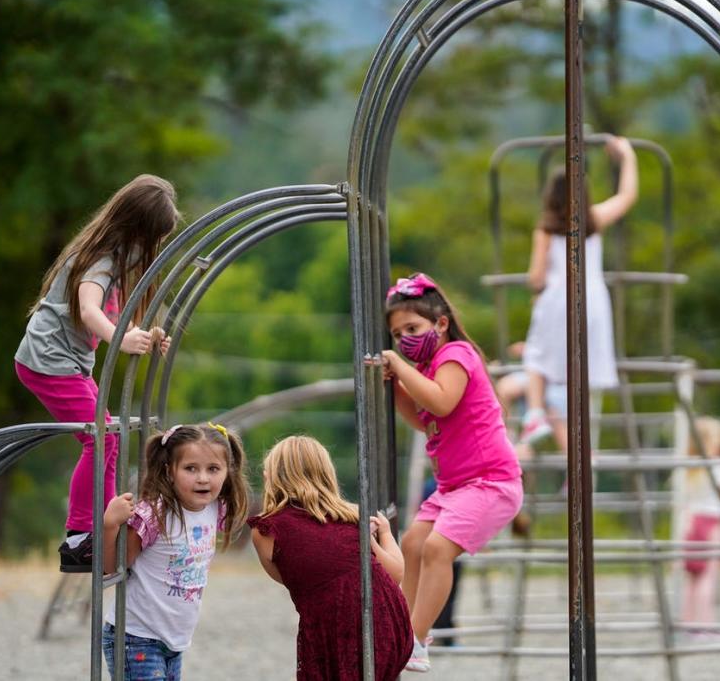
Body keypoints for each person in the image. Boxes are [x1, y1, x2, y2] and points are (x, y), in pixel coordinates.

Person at [14, 174, 180, 572]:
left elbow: (109, 316)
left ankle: (101, 529)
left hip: (67, 364)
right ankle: (80, 537)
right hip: (47, 362)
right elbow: (89, 310)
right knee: (102, 438)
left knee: (109, 438)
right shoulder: (99, 259)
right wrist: (122, 340)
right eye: (151, 239)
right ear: (136, 228)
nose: (148, 250)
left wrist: (144, 334)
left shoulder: (116, 257)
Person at [369, 273, 524, 673]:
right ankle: (403, 627)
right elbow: (424, 420)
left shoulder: (455, 355)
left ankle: (416, 640)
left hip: (491, 481)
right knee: (413, 542)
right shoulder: (426, 365)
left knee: (438, 549)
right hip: (454, 486)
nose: (405, 338)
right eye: (398, 333)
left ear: (440, 324)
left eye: (413, 328)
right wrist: (397, 385)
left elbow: (441, 403)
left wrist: (401, 369)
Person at [248, 436, 412, 681]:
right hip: (389, 626)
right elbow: (395, 574)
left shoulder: (266, 530)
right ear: (327, 474)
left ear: (269, 477)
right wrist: (385, 533)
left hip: (331, 630)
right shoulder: (354, 518)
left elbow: (289, 578)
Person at [100, 423, 249, 680]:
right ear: (170, 471)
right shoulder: (155, 514)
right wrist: (110, 525)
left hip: (174, 640)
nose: (203, 478)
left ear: (227, 472)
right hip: (136, 636)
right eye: (191, 468)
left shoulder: (215, 509)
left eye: (213, 469)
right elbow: (113, 566)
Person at [517, 135, 639, 450]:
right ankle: (577, 432)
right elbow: (626, 196)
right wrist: (627, 157)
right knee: (579, 362)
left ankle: (534, 413)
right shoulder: (594, 220)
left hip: (557, 298)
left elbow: (536, 276)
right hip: (592, 298)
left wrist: (536, 289)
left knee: (536, 355)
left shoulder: (545, 230)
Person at [680, 416, 720, 632]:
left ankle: (688, 622)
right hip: (711, 523)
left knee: (691, 577)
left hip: (688, 523)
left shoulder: (685, 465)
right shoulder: (716, 465)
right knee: (708, 577)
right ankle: (705, 625)